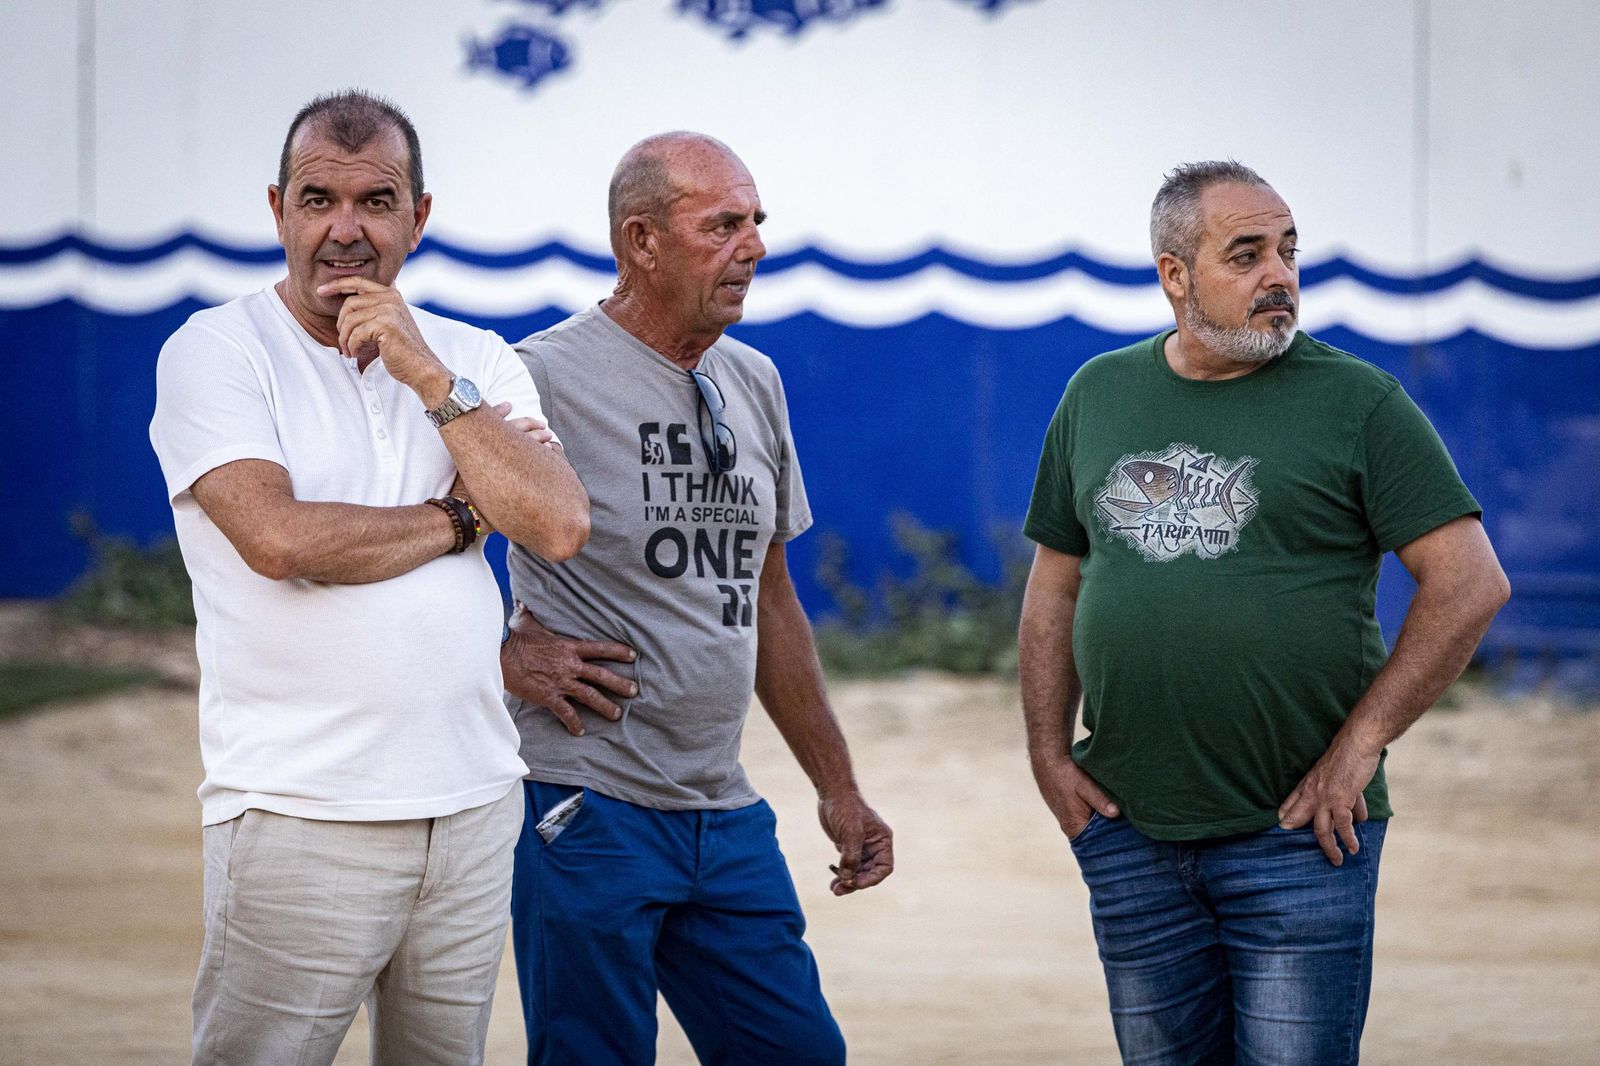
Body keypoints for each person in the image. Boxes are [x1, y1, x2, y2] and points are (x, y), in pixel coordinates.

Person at [1017, 160, 1510, 1065]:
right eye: (1245, 255)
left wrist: (1358, 750)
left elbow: (1470, 583)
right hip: (1130, 828)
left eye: (1287, 251)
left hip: (1298, 833)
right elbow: (1056, 583)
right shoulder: (1097, 393)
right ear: (1175, 274)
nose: (1278, 275)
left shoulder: (1359, 403)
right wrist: (1048, 754)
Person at [148, 89, 589, 1066]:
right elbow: (280, 539)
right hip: (303, 810)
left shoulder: (472, 358)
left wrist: (428, 374)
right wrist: (456, 515)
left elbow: (554, 520)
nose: (343, 230)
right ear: (278, 210)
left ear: (418, 217)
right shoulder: (216, 353)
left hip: (473, 808)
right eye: (317, 200)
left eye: (376, 201)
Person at [499, 131, 893, 1065]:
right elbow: (420, 547)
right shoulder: (539, 376)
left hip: (722, 812)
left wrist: (838, 789)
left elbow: (772, 598)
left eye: (756, 222)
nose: (752, 244)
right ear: (641, 241)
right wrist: (501, 653)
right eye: (723, 225)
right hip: (586, 804)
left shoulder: (754, 381)